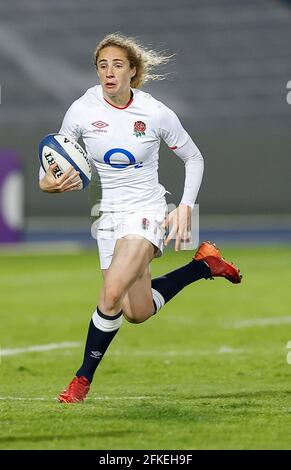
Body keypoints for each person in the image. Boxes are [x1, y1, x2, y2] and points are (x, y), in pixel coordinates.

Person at [39, 33, 242, 403]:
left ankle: (81, 380)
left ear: (133, 71)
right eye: (103, 66)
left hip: (148, 210)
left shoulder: (154, 112)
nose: (109, 73)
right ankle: (203, 265)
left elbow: (194, 158)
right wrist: (51, 184)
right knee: (136, 311)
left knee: (111, 293)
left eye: (118, 65)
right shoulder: (81, 111)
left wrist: (184, 207)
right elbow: (52, 166)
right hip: (106, 214)